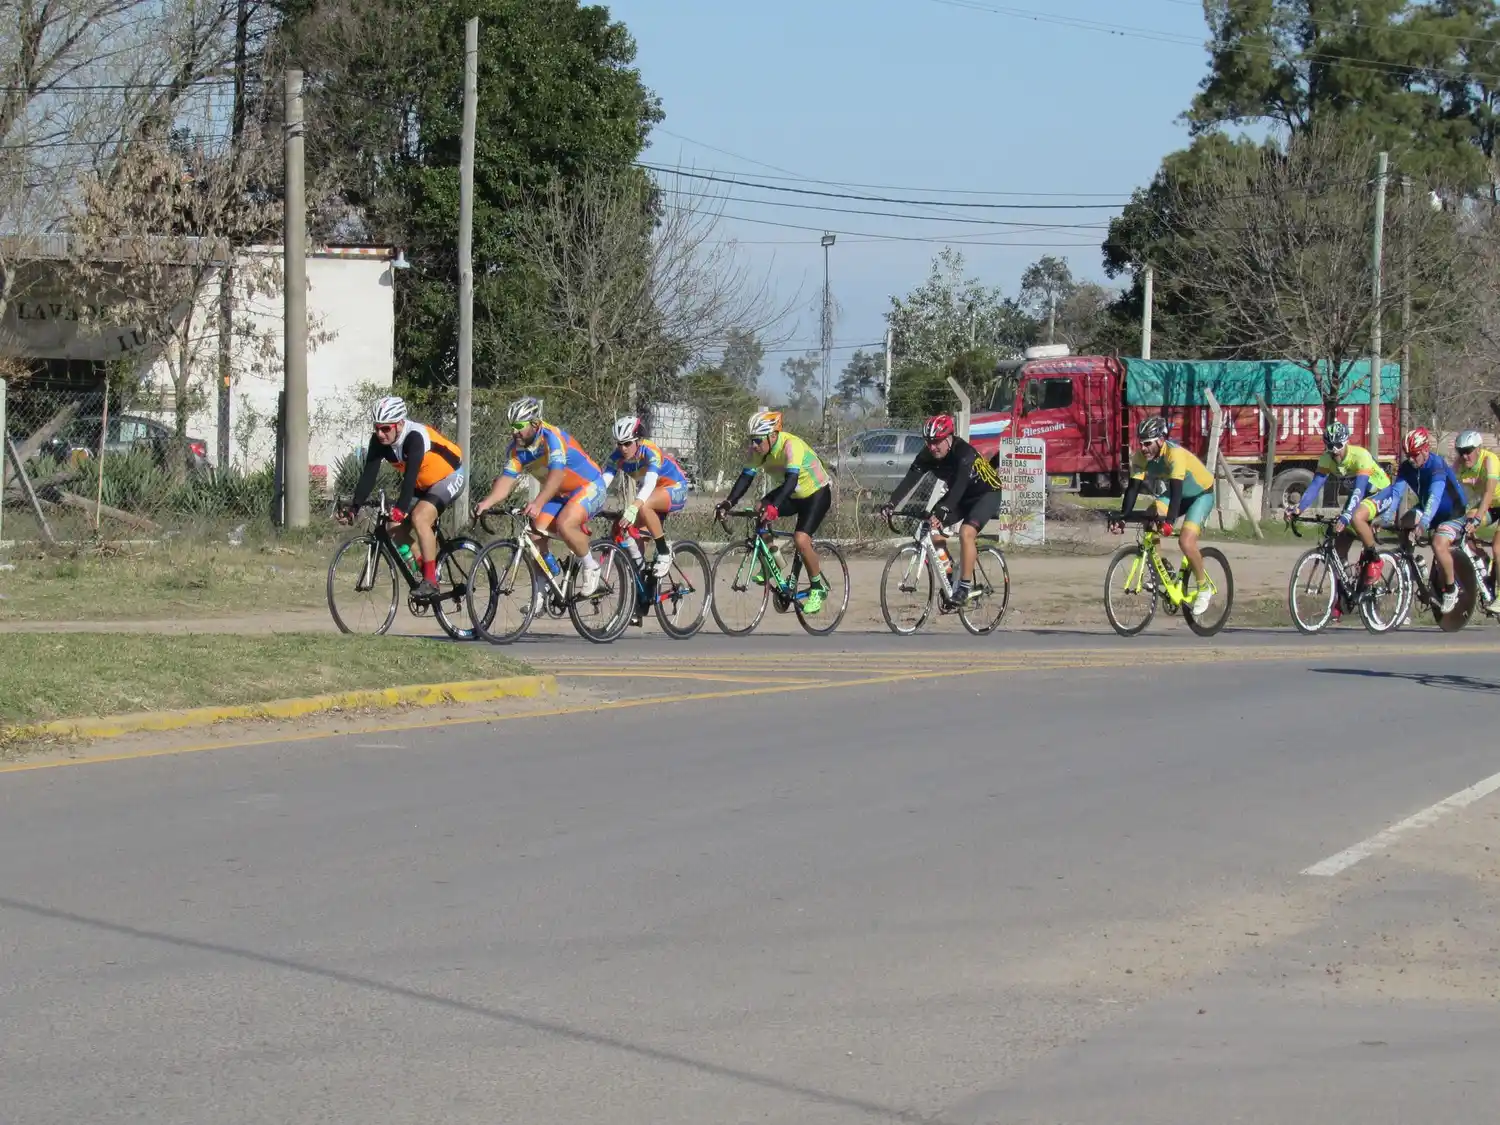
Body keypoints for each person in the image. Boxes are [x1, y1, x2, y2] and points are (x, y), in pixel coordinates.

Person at [473, 396, 609, 596]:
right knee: (533, 533)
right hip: (561, 494)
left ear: (535, 423)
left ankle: (591, 566)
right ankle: (545, 583)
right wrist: (486, 502)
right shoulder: (516, 448)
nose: (514, 431)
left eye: (519, 425)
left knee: (565, 524)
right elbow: (506, 482)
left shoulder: (552, 438)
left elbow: (556, 475)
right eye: (511, 425)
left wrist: (538, 503)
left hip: (589, 486)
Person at [342, 395, 465, 600]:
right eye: (377, 428)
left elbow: (409, 479)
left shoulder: (414, 437)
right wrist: (355, 507)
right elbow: (368, 476)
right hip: (423, 483)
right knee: (392, 528)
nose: (380, 434)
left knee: (420, 518)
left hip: (449, 475)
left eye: (385, 428)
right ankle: (424, 565)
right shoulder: (378, 441)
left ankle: (430, 581)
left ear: (399, 424)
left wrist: (401, 508)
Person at [713, 410, 834, 613]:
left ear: (773, 435)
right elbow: (745, 478)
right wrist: (728, 503)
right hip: (794, 493)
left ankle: (817, 587)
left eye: (758, 440)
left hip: (816, 493)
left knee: (801, 540)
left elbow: (792, 480)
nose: (754, 445)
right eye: (751, 440)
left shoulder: (791, 445)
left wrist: (775, 507)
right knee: (759, 508)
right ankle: (774, 560)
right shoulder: (757, 452)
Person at [878, 413, 1003, 605]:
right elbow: (909, 481)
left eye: (936, 442)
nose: (932, 447)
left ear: (948, 438)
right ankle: (951, 574)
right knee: (931, 531)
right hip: (960, 496)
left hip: (985, 494)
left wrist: (942, 511)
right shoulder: (927, 455)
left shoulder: (963, 453)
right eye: (928, 442)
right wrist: (891, 503)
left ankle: (964, 587)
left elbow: (960, 486)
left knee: (966, 533)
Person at [1111, 415, 1217, 615]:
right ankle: (1163, 569)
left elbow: (1176, 492)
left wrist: (1169, 522)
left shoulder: (1174, 454)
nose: (1143, 448)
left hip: (1200, 494)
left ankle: (1204, 587)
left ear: (1161, 439)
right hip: (1177, 493)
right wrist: (1122, 516)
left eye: (1148, 443)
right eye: (1141, 443)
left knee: (1185, 542)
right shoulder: (1140, 457)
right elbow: (1133, 489)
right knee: (1149, 516)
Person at [1285, 421, 1396, 586]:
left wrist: (1346, 517)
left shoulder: (1360, 456)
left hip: (1380, 492)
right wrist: (1299, 508)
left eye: (1338, 445)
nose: (1334, 450)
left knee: (1355, 518)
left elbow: (1359, 490)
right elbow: (1315, 486)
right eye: (1329, 446)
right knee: (1339, 544)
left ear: (1346, 442)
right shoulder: (1326, 459)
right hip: (1360, 497)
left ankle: (1375, 559)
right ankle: (1345, 590)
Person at [1382, 426, 1468, 614]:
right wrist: (1385, 517)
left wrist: (1424, 523)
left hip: (1452, 513)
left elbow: (1434, 496)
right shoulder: (1407, 467)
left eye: (1415, 455)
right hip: (1428, 509)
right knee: (1404, 523)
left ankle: (1451, 589)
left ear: (1426, 450)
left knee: (1438, 544)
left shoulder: (1436, 465)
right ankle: (1412, 563)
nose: (1411, 460)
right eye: (1408, 455)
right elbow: (1396, 493)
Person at [601, 415, 690, 578]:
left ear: (638, 440)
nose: (623, 449)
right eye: (619, 444)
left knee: (644, 505)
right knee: (634, 542)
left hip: (674, 487)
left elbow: (649, 484)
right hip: (652, 493)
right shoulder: (617, 457)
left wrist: (634, 507)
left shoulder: (650, 451)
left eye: (627, 443)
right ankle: (642, 588)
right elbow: (602, 483)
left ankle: (664, 552)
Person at [1454, 428, 1500, 611]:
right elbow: (1446, 485)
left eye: (1468, 450)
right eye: (1461, 451)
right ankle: (1484, 561)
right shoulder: (1459, 464)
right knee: (1464, 524)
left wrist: (1478, 519)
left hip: (1491, 500)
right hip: (1492, 506)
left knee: (1497, 547)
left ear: (1479, 448)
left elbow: (1488, 493)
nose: (1465, 456)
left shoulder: (1490, 460)